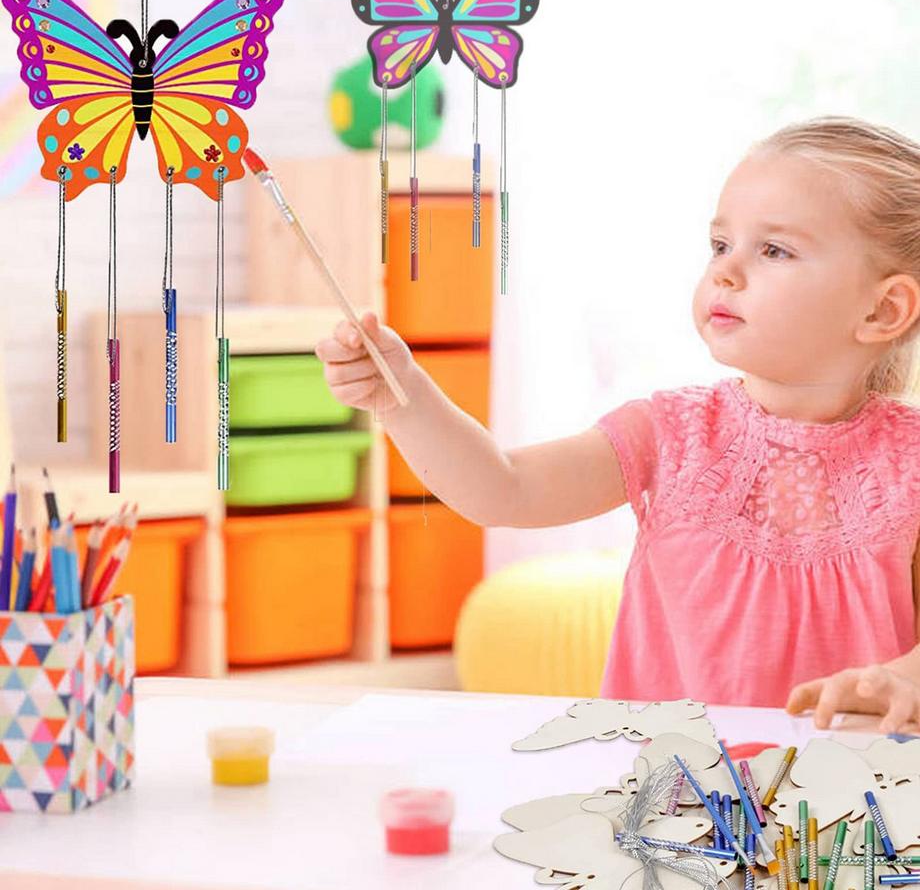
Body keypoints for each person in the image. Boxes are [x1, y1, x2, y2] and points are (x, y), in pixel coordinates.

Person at [316, 116, 920, 733]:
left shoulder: (912, 460)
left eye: (774, 250)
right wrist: (404, 399)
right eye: (720, 244)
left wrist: (908, 676)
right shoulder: (671, 431)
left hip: (847, 809)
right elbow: (504, 487)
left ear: (883, 308)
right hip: (668, 795)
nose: (726, 271)